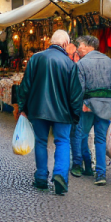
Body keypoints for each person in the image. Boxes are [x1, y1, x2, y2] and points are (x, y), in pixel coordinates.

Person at [17, 30, 82, 195]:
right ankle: (60, 175)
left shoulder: (36, 58)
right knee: (62, 142)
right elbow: (76, 94)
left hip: (38, 110)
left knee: (41, 142)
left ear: (50, 42)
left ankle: (40, 177)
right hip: (63, 112)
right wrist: (75, 115)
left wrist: (22, 107)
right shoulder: (70, 64)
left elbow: (25, 85)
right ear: (66, 44)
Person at [70, 35, 111, 185]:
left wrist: (81, 104)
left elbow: (79, 88)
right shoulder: (109, 61)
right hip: (106, 106)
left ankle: (84, 164)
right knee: (100, 139)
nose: (78, 48)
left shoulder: (82, 64)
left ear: (87, 46)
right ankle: (100, 174)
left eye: (79, 45)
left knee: (82, 135)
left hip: (88, 106)